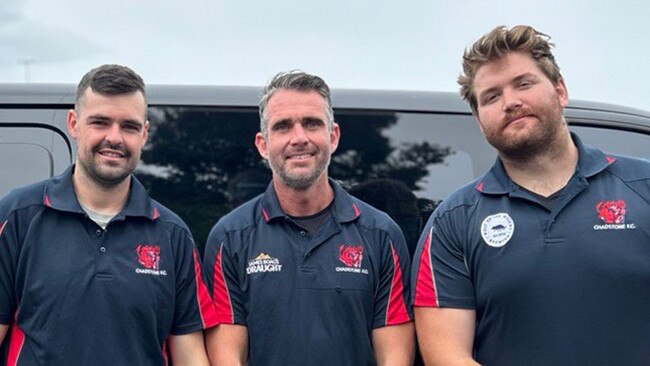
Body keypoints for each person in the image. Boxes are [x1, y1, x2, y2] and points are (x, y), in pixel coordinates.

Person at [411, 25, 650, 366]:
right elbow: (446, 356)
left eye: (523, 83)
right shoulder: (453, 221)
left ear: (560, 90)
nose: (511, 102)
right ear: (479, 122)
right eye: (492, 96)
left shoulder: (642, 185)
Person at [0, 64, 217, 365]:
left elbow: (190, 355)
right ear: (74, 124)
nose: (114, 138)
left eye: (128, 126)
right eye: (100, 122)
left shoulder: (172, 235)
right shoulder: (17, 216)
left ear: (144, 134)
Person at [203, 70, 414, 365]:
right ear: (263, 144)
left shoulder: (381, 234)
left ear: (333, 136)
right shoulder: (230, 237)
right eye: (283, 126)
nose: (299, 138)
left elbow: (394, 357)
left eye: (312, 124)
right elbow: (227, 357)